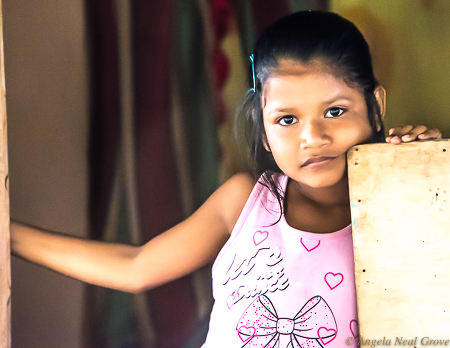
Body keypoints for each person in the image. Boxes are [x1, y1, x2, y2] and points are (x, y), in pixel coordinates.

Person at [11, 11, 442, 348]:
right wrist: (9, 237)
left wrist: (425, 175)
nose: (313, 137)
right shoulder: (244, 203)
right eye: (287, 119)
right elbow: (136, 267)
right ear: (263, 131)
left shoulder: (403, 210)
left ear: (374, 105)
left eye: (335, 111)